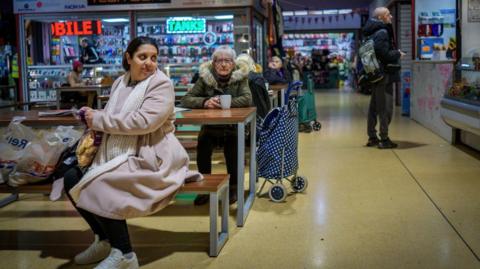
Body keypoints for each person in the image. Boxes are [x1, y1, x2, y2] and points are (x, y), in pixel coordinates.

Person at [63, 36, 201, 269]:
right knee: (70, 177)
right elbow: (113, 114)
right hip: (115, 151)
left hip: (152, 156)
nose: (149, 63)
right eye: (142, 57)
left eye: (154, 58)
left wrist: (98, 119)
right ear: (129, 58)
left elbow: (143, 122)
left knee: (102, 182)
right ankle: (104, 240)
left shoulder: (162, 84)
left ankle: (125, 254)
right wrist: (94, 115)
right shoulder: (120, 82)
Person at [181, 45, 252, 205]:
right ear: (213, 64)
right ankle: (204, 188)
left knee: (233, 149)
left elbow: (247, 98)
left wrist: (224, 103)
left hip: (231, 127)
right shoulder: (205, 78)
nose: (223, 64)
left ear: (233, 64)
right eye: (219, 61)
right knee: (203, 147)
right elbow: (186, 99)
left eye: (227, 60)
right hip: (210, 127)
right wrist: (205, 102)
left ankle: (233, 187)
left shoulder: (241, 78)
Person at [362, 7, 405, 149]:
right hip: (384, 75)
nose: (391, 16)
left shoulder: (371, 32)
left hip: (375, 73)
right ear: (380, 18)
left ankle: (372, 136)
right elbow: (384, 54)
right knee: (385, 108)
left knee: (374, 106)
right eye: (388, 14)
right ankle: (384, 139)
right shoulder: (382, 32)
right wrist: (397, 53)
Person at [236, 53, 271, 118]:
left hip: (238, 117)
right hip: (257, 118)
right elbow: (266, 104)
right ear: (252, 65)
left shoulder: (233, 80)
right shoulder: (257, 79)